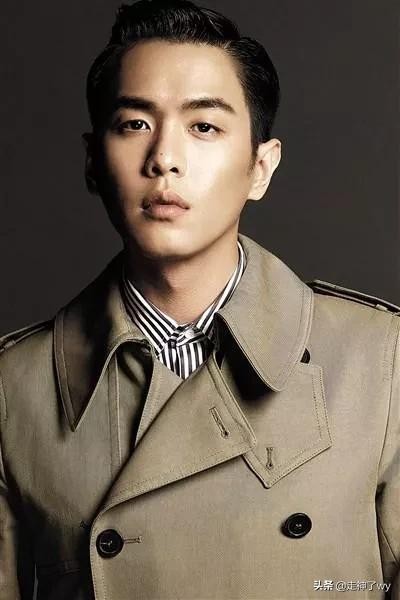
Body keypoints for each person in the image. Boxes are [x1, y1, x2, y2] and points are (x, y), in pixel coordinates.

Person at [0, 1, 399, 598]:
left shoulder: (381, 364)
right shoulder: (14, 389)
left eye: (203, 127)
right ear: (92, 161)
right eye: (134, 124)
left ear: (260, 167)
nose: (164, 158)